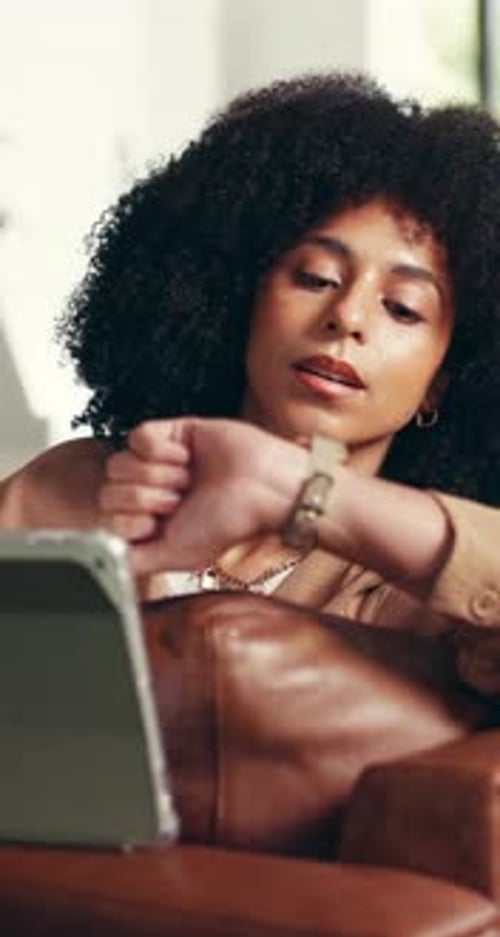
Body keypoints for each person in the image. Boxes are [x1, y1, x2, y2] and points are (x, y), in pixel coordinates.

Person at [1, 72, 500, 694]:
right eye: (315, 277)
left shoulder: (429, 595)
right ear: (238, 300)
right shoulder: (65, 493)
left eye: (402, 308)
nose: (346, 317)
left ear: (442, 385)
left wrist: (298, 491)